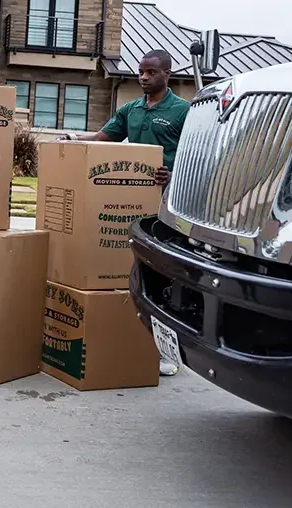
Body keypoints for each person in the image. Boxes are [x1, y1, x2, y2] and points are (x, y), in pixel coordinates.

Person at [62, 48, 189, 376]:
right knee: (134, 272)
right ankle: (131, 339)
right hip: (134, 204)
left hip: (168, 208)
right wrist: (72, 140)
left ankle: (165, 351)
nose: (143, 77)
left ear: (167, 75)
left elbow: (197, 156)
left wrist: (174, 174)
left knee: (163, 275)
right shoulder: (131, 110)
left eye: (151, 72)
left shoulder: (182, 112)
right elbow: (104, 138)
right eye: (141, 72)